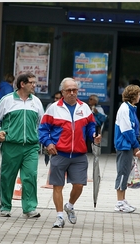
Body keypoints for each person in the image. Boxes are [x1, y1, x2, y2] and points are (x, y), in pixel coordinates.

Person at [38, 77, 101, 228]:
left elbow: (91, 126)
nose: (72, 93)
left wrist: (94, 136)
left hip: (79, 154)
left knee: (79, 185)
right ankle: (59, 216)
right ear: (63, 92)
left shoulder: (84, 107)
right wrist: (48, 143)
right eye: (69, 90)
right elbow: (43, 130)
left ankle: (70, 206)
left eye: (75, 90)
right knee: (57, 186)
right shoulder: (53, 108)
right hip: (59, 153)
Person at [0, 72, 44, 219]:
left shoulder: (37, 102)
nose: (34, 85)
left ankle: (29, 208)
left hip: (31, 147)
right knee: (8, 177)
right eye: (31, 82)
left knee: (30, 176)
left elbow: (42, 124)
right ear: (22, 84)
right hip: (11, 146)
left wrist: (43, 139)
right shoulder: (7, 100)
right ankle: (5, 207)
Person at [113, 84, 140, 213]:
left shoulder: (130, 108)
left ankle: (123, 200)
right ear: (134, 95)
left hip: (127, 145)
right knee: (122, 172)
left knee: (126, 172)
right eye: (139, 94)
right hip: (124, 145)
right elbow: (127, 130)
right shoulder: (125, 109)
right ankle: (119, 202)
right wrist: (136, 145)